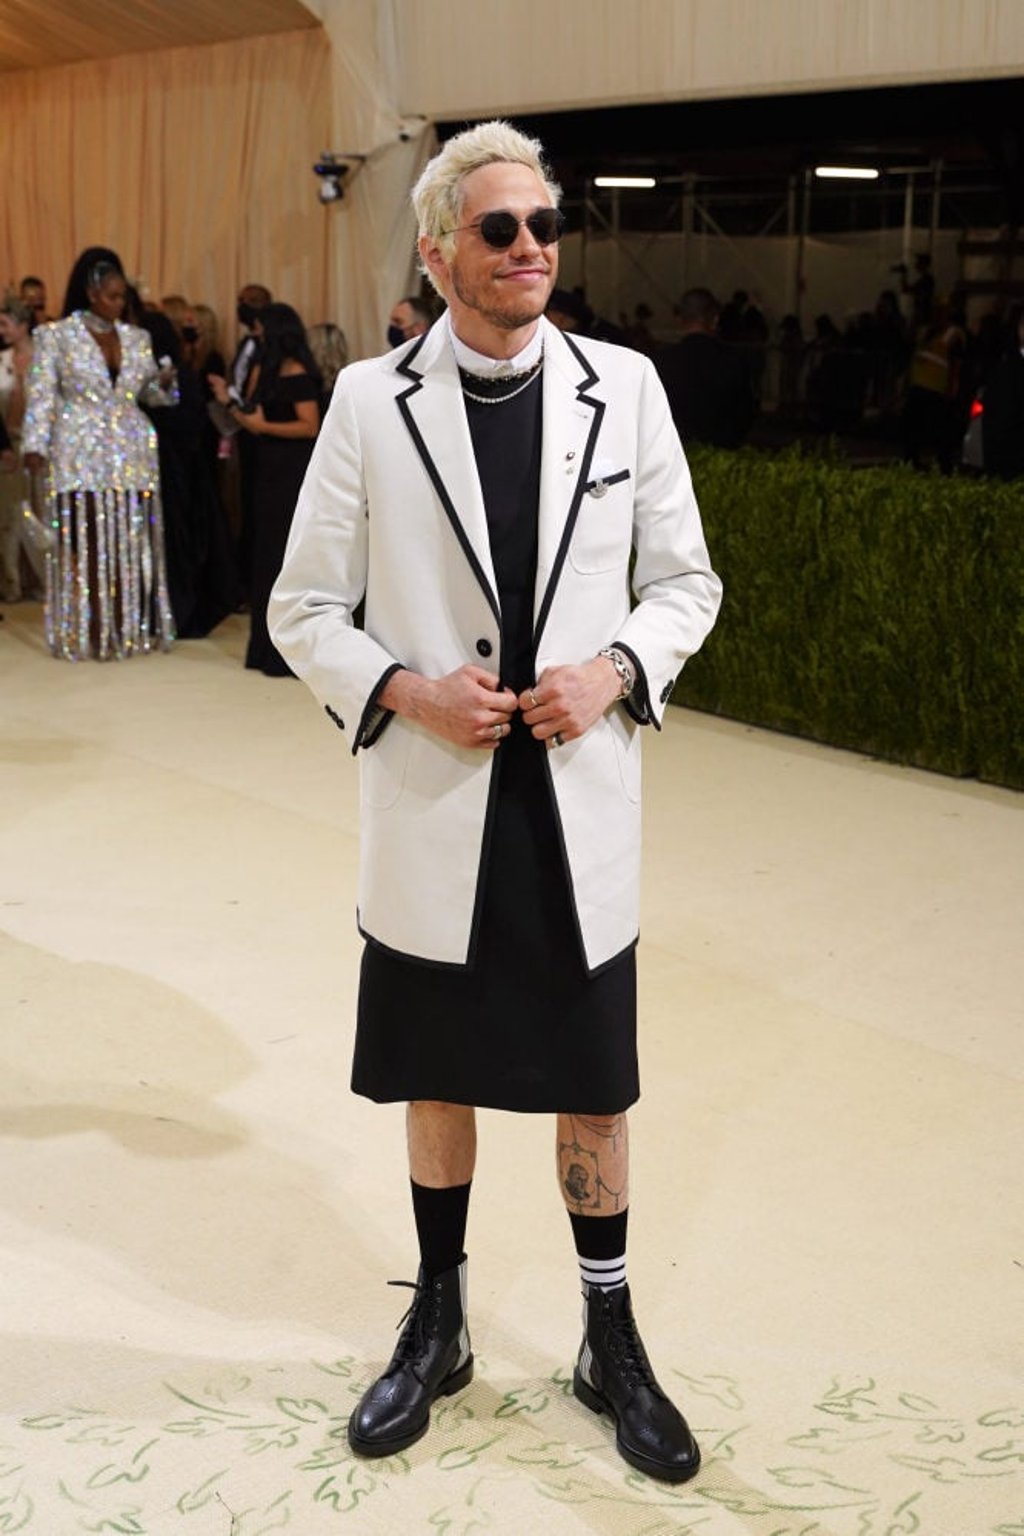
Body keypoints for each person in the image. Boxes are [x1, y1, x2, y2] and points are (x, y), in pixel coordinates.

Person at [268, 120, 721, 1483]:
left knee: (595, 1082)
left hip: (577, 797)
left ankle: (608, 1335)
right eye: (501, 229)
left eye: (544, 225)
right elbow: (301, 607)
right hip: (433, 795)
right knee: (437, 1069)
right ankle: (441, 1321)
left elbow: (685, 582)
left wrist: (618, 672)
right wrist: (405, 686)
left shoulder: (626, 389)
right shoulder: (367, 402)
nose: (532, 249)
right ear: (437, 250)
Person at [21, 247, 175, 660]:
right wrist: (35, 444)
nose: (118, 303)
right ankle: (90, 629)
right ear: (91, 292)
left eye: (122, 296)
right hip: (77, 448)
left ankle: (127, 630)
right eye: (111, 295)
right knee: (86, 542)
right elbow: (41, 394)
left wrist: (165, 382)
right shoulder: (55, 336)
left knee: (130, 543)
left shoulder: (137, 338)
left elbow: (152, 397)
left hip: (131, 449)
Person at [211, 302, 319, 674]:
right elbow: (251, 415)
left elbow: (310, 426)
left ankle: (288, 653)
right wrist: (228, 400)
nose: (253, 339)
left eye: (259, 332)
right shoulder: (265, 369)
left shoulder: (296, 371)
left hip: (290, 470)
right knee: (265, 555)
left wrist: (262, 427)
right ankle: (265, 649)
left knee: (284, 555)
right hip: (264, 468)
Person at [655, 287, 755, 447]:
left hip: (675, 452)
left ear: (680, 320)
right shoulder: (733, 360)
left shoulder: (660, 361)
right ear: (715, 320)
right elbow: (746, 413)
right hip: (721, 453)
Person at [0, 297, 35, 600]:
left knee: (37, 511)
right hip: (8, 442)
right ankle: (12, 582)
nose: (1, 330)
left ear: (23, 326)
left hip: (36, 443)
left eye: (5, 324)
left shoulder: (43, 357)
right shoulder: (1, 359)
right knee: (10, 514)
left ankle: (41, 580)